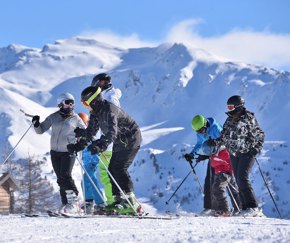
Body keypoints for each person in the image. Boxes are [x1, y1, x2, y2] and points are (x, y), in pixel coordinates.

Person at [68, 86, 142, 215]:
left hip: (131, 138)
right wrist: (79, 145)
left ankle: (130, 202)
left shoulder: (109, 110)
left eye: (86, 103)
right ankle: (118, 200)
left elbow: (111, 132)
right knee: (113, 169)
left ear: (93, 100)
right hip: (121, 141)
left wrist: (100, 145)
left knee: (120, 168)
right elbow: (90, 132)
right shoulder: (96, 112)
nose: (86, 106)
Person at [208, 95, 265, 217]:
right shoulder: (229, 120)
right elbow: (223, 136)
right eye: (228, 107)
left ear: (238, 106)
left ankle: (253, 207)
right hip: (233, 153)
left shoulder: (248, 118)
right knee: (238, 181)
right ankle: (245, 208)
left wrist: (256, 149)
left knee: (243, 178)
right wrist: (215, 142)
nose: (229, 110)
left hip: (247, 153)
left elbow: (260, 135)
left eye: (231, 107)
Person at [32, 93, 86, 214]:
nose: (71, 105)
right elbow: (40, 130)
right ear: (60, 103)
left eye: (72, 102)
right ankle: (66, 204)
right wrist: (36, 123)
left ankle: (74, 203)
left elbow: (85, 133)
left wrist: (80, 134)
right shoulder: (53, 117)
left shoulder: (76, 118)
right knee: (60, 179)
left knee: (65, 175)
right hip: (55, 152)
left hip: (68, 151)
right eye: (68, 102)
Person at [89, 72, 122, 205]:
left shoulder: (110, 98)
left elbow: (112, 120)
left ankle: (113, 203)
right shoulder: (109, 96)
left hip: (109, 143)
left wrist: (104, 141)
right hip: (108, 141)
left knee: (107, 174)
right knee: (107, 174)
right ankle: (113, 202)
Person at [184, 114, 222, 215]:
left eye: (201, 130)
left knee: (217, 181)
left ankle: (220, 208)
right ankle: (208, 207)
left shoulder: (215, 128)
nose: (200, 133)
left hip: (223, 155)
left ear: (205, 125)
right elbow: (200, 144)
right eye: (197, 131)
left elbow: (223, 141)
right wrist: (192, 154)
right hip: (213, 155)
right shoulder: (201, 130)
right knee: (208, 180)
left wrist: (215, 143)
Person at [78, 112, 105, 214]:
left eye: (82, 123)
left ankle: (100, 203)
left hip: (93, 161)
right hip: (87, 162)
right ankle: (90, 203)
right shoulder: (80, 134)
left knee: (88, 180)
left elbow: (94, 144)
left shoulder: (89, 133)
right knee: (87, 181)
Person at [207, 145, 241, 217]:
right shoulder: (213, 155)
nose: (210, 153)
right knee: (219, 189)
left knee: (218, 189)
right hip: (219, 174)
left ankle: (225, 210)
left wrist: (228, 173)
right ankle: (222, 209)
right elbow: (215, 165)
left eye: (211, 151)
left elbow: (233, 164)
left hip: (226, 174)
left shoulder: (225, 153)